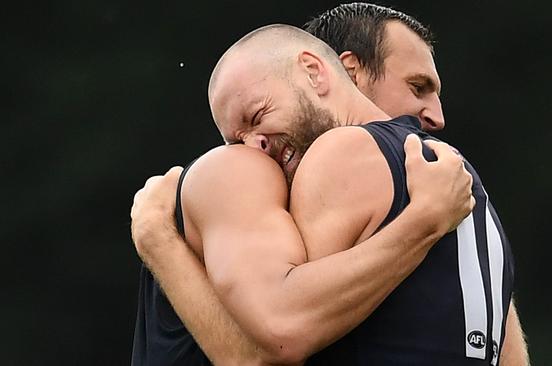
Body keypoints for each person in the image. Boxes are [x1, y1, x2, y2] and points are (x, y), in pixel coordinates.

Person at [130, 19, 518, 366]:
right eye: (235, 140)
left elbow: (273, 342)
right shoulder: (468, 190)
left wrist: (157, 237)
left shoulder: (343, 153)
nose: (251, 147)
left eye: (257, 115)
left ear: (315, 72)